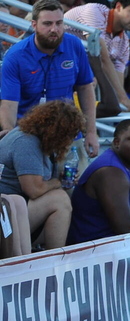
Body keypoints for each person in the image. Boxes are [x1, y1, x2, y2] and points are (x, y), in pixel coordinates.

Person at [0, 0, 98, 154]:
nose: (54, 29)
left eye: (59, 23)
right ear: (34, 25)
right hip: (29, 137)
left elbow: (85, 87)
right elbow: (9, 103)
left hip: (68, 136)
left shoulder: (74, 45)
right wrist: (9, 133)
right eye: (47, 24)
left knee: (78, 176)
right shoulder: (15, 56)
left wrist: (91, 132)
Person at [0, 100, 82, 250]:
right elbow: (34, 189)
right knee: (59, 200)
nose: (70, 141)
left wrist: (61, 180)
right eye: (69, 135)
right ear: (57, 131)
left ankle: (46, 252)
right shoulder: (26, 141)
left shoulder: (40, 140)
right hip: (5, 214)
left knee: (62, 199)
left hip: (15, 210)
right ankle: (54, 259)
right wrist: (59, 182)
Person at [65, 0, 130, 113]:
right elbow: (102, 58)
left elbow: (117, 83)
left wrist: (125, 102)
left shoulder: (124, 42)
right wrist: (123, 99)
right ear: (119, 6)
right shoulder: (94, 11)